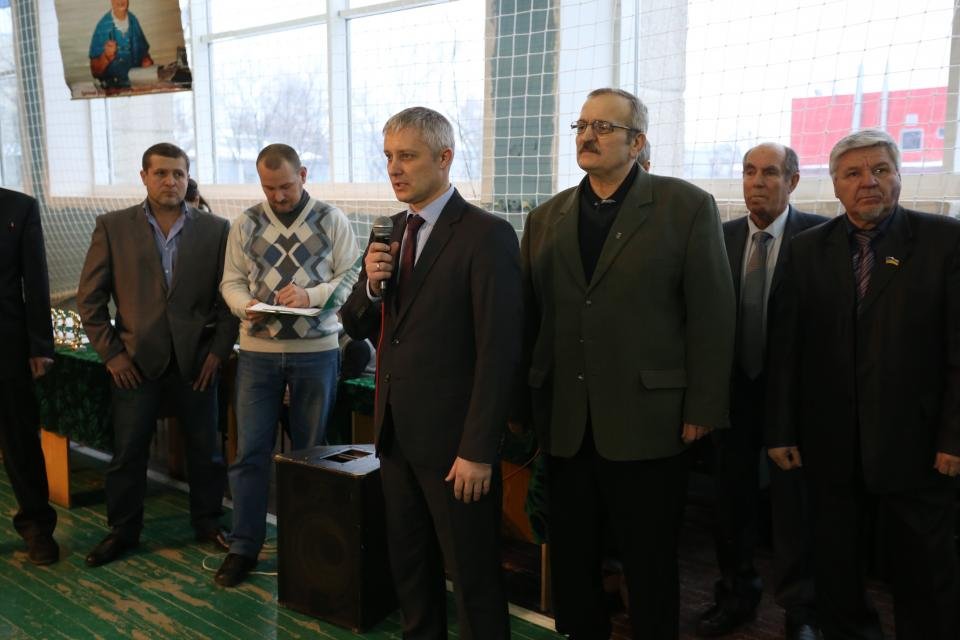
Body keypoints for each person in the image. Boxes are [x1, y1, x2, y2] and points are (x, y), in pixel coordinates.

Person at [515, 88, 736, 639]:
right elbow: (529, 319)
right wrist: (522, 403)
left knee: (649, 559)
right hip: (566, 421)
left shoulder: (685, 206)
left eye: (604, 127)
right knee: (573, 558)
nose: (588, 136)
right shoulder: (545, 218)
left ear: (637, 143)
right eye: (582, 125)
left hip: (650, 421)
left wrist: (704, 406)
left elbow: (712, 315)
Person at [766, 129, 960, 640]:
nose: (868, 182)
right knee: (836, 570)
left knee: (925, 574)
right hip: (830, 446)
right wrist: (781, 430)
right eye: (853, 173)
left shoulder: (944, 241)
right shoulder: (807, 249)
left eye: (880, 169)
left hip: (918, 448)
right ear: (835, 186)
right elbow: (786, 349)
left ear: (899, 176)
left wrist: (953, 438)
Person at [341, 106, 521, 639]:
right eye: (388, 157)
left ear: (444, 158)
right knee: (411, 571)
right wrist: (372, 285)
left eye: (408, 156)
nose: (394, 169)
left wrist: (478, 449)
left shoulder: (486, 235)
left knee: (473, 578)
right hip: (396, 438)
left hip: (455, 448)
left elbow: (499, 352)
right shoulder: (390, 231)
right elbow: (354, 322)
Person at [77, 143, 239, 567]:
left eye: (178, 174)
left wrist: (218, 353)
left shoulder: (217, 229)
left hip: (197, 364)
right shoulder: (113, 227)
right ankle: (123, 530)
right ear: (144, 177)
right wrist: (112, 355)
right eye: (161, 173)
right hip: (134, 363)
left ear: (188, 178)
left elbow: (229, 299)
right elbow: (89, 300)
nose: (170, 181)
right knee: (128, 453)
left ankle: (208, 521)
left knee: (207, 450)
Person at [216, 143, 360, 587]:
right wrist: (244, 305)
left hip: (317, 351)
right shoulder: (245, 223)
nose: (278, 196)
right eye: (269, 188)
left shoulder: (331, 219)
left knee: (311, 454)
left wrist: (311, 295)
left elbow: (351, 277)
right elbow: (230, 282)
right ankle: (244, 547)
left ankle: (308, 548)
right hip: (257, 352)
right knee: (250, 453)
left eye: (286, 186)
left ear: (304, 174)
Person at [698, 143, 825, 640]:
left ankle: (802, 613)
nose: (757, 182)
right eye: (749, 171)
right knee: (730, 506)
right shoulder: (719, 237)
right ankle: (735, 596)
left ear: (792, 181)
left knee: (796, 510)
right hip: (733, 394)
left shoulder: (819, 237)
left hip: (796, 399)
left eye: (770, 173)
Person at [0, 188, 59, 566]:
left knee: (20, 441)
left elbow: (35, 280)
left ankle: (38, 529)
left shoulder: (19, 207)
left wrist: (41, 345)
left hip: (7, 344)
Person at [89, 0, 153, 89]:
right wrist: (106, 57)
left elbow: (144, 54)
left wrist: (146, 61)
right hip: (113, 90)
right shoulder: (102, 26)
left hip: (136, 86)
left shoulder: (133, 20)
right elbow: (95, 72)